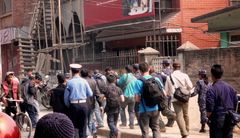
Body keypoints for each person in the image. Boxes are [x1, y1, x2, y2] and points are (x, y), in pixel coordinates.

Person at [206, 64, 238, 138]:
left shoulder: (212, 89)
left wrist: (209, 117)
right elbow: (235, 102)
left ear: (212, 75)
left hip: (217, 119)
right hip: (229, 118)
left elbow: (210, 107)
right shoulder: (230, 88)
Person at [164, 61, 193, 138]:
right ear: (180, 67)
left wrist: (172, 92)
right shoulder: (185, 75)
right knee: (186, 114)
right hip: (185, 98)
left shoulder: (169, 77)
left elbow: (166, 91)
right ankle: (187, 129)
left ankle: (184, 133)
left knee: (179, 116)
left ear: (173, 67)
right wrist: (184, 89)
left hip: (175, 99)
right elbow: (190, 86)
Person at [64, 64, 93, 138]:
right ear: (79, 71)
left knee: (74, 126)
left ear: (71, 71)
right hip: (83, 105)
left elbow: (66, 98)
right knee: (83, 126)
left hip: (73, 105)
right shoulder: (84, 81)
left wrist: (69, 105)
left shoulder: (69, 82)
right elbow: (90, 93)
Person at [134, 62, 161, 138]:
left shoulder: (138, 82)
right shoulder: (156, 79)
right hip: (156, 108)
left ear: (139, 70)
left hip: (144, 109)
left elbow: (137, 98)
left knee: (145, 131)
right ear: (149, 69)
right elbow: (164, 94)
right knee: (156, 128)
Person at [81, 68, 103, 137]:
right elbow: (97, 93)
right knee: (90, 120)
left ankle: (88, 134)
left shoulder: (80, 81)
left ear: (81, 74)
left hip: (82, 104)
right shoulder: (93, 81)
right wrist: (100, 104)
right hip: (91, 104)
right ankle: (92, 132)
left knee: (85, 121)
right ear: (88, 74)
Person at [117, 65, 137, 129]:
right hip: (133, 96)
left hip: (126, 95)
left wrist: (117, 80)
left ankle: (124, 123)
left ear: (126, 70)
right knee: (131, 111)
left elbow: (119, 83)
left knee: (121, 108)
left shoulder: (125, 76)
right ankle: (131, 125)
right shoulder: (134, 77)